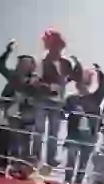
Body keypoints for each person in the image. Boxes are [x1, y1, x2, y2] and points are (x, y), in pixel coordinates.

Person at [0, 40, 48, 171]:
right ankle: (8, 164)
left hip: (27, 115)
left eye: (27, 63)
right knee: (10, 137)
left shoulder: (35, 82)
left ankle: (21, 167)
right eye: (22, 63)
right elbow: (0, 66)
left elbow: (43, 94)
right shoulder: (13, 76)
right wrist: (8, 51)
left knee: (24, 140)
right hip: (11, 111)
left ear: (32, 66)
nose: (24, 65)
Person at [34, 29, 79, 167]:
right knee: (39, 129)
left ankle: (50, 158)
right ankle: (35, 156)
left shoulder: (65, 64)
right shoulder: (42, 62)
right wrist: (48, 87)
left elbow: (74, 77)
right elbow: (36, 81)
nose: (58, 49)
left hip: (58, 101)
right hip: (43, 99)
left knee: (54, 131)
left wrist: (78, 65)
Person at [63, 63, 104, 184]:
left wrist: (100, 74)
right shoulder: (71, 99)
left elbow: (103, 88)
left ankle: (77, 183)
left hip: (89, 134)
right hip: (74, 133)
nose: (82, 85)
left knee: (83, 161)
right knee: (71, 156)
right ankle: (67, 180)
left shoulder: (95, 98)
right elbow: (63, 110)